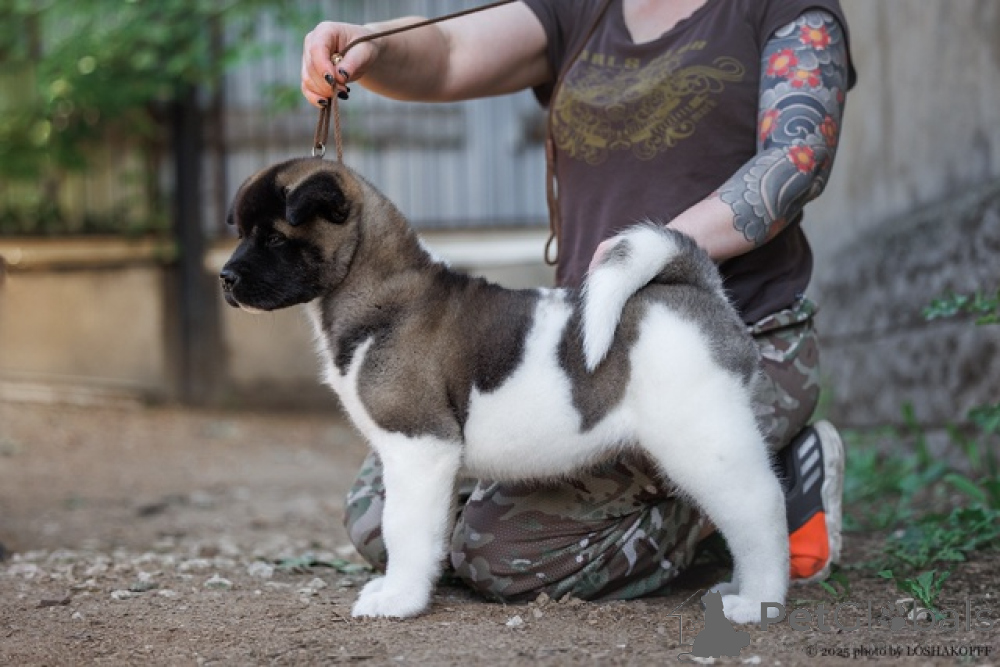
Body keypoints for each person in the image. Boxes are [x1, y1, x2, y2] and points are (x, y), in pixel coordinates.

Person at [301, 0, 856, 602]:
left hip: (726, 337)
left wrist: (653, 251)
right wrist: (374, 42)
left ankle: (749, 486)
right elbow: (450, 52)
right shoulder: (586, 7)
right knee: (380, 518)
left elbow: (797, 160)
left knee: (503, 556)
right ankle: (722, 479)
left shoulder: (781, 9)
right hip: (580, 347)